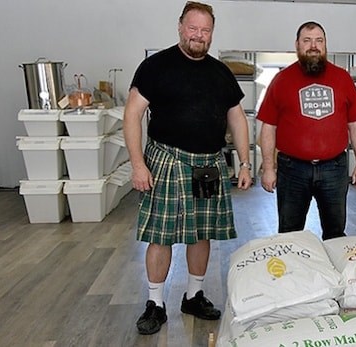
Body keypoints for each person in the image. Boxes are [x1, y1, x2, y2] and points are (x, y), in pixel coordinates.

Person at [122, 1, 252, 335]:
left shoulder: (220, 72)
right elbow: (132, 114)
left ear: (212, 33)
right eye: (193, 28)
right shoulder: (156, 66)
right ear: (180, 26)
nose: (198, 35)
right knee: (160, 234)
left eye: (205, 30)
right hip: (167, 160)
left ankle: (193, 295)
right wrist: (138, 164)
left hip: (208, 164)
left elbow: (236, 117)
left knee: (202, 232)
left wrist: (245, 162)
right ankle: (155, 303)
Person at [257, 21, 356, 241]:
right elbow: (268, 127)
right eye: (307, 41)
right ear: (297, 45)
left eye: (319, 40)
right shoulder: (281, 80)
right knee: (289, 234)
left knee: (336, 233)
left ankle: (333, 276)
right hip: (292, 169)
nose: (313, 46)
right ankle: (293, 275)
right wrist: (269, 168)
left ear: (326, 45)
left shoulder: (342, 78)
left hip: (334, 168)